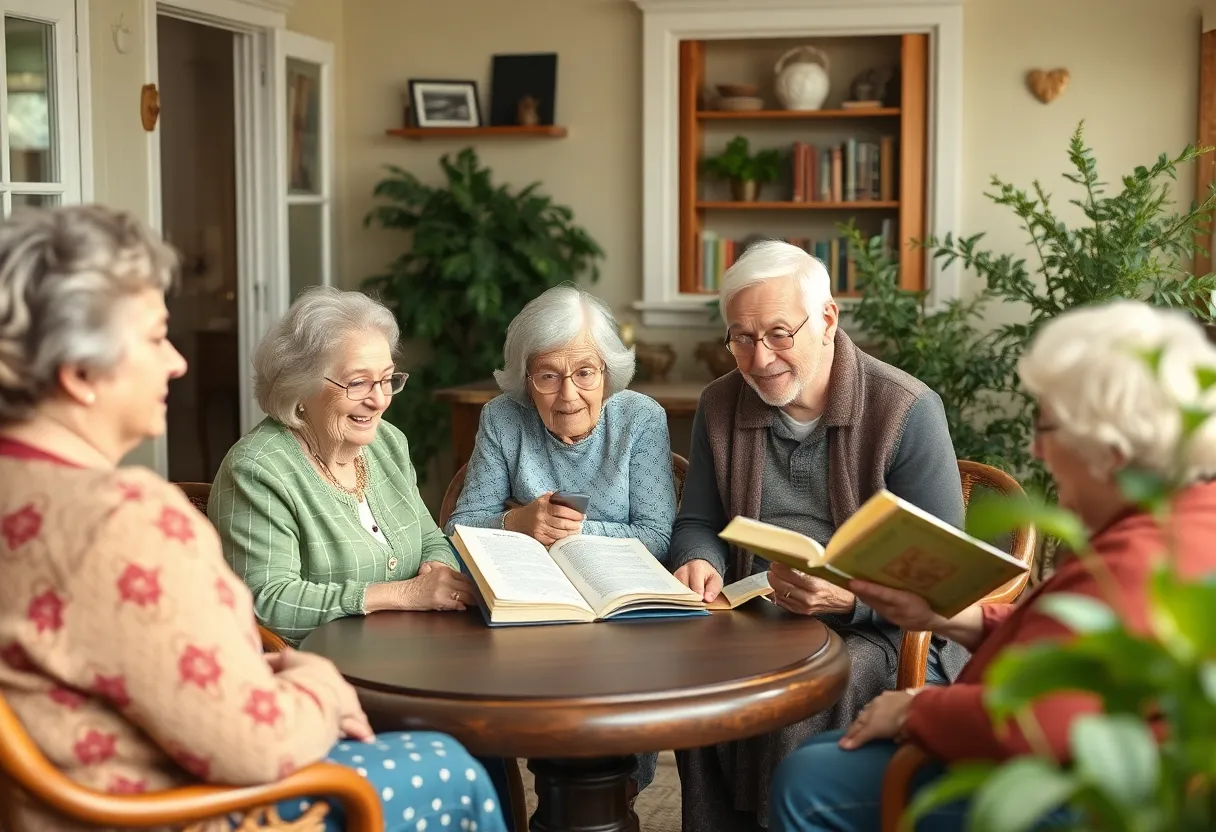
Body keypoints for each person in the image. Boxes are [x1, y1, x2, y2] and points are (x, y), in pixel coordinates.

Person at [0, 205, 506, 832]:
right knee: (449, 767)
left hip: (78, 789)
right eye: (157, 337)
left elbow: (121, 658)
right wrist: (316, 682)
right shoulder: (127, 521)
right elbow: (253, 745)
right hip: (181, 810)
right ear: (80, 374)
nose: (178, 363)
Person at [768, 300, 1216, 831]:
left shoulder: (1143, 556)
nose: (1036, 448)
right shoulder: (1182, 517)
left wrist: (914, 710)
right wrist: (949, 615)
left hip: (1077, 797)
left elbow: (1037, 721)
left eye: (1046, 425)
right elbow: (1075, 651)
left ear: (1111, 450)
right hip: (1083, 765)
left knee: (810, 776)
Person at [667, 240, 968, 831]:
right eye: (742, 338)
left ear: (828, 319)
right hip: (756, 611)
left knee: (814, 679)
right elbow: (698, 520)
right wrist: (698, 560)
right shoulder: (719, 403)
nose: (758, 359)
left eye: (779, 333)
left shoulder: (905, 410)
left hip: (881, 632)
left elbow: (946, 578)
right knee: (693, 673)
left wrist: (853, 600)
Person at [443, 284, 677, 796]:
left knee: (615, 697)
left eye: (584, 373)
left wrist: (564, 531)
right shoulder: (504, 418)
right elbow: (459, 526)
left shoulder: (640, 418)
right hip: (534, 610)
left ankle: (616, 790)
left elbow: (658, 535)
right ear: (526, 380)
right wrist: (516, 522)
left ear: (607, 372)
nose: (568, 394)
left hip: (618, 607)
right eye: (548, 375)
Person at [211, 286, 476, 647]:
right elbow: (266, 601)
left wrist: (438, 573)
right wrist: (403, 594)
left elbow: (430, 538)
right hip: (312, 671)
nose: (379, 400)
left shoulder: (388, 443)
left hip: (408, 650)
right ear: (300, 386)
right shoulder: (257, 469)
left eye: (387, 379)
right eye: (358, 383)